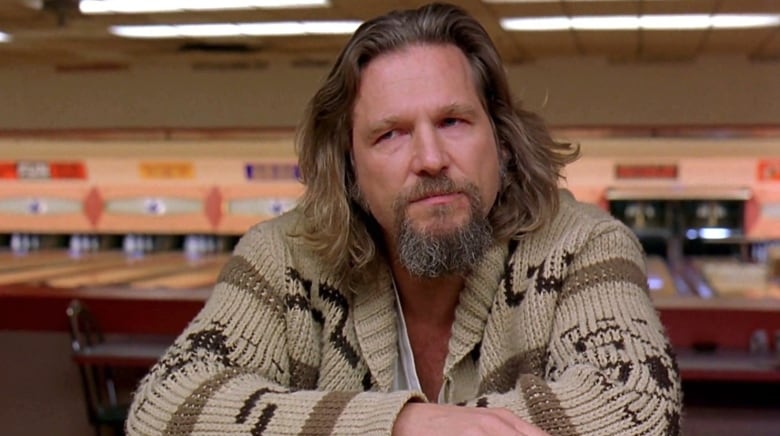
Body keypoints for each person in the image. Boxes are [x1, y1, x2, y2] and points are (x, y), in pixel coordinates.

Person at [127, 2, 682, 435]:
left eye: (454, 120)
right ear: (349, 169)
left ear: (504, 144)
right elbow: (163, 407)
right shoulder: (283, 259)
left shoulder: (583, 246)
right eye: (389, 134)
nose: (430, 158)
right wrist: (401, 423)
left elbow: (634, 403)